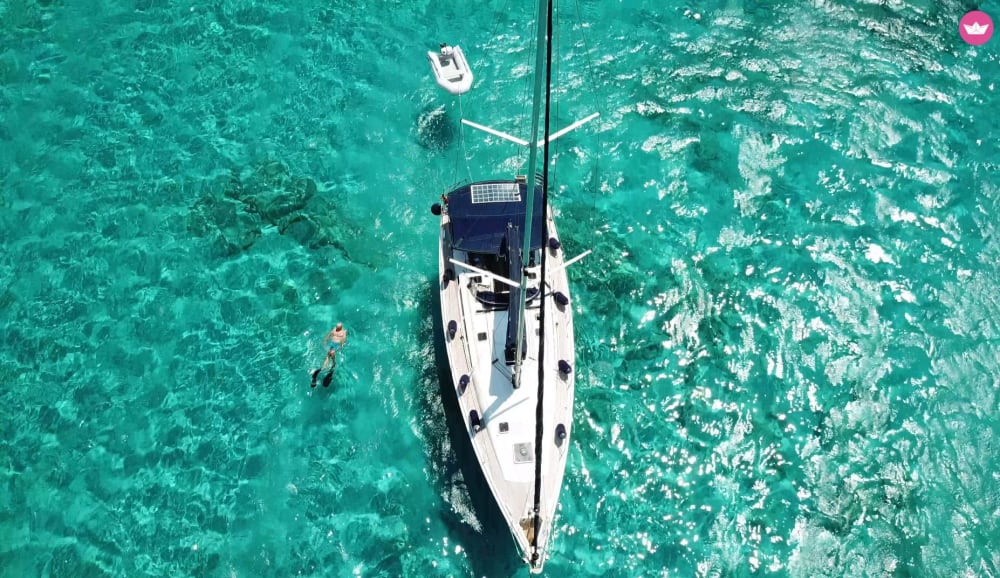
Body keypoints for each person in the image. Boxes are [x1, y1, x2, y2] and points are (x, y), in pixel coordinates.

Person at [311, 322, 348, 388]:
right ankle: (328, 374)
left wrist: (325, 341)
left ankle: (318, 374)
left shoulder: (337, 330)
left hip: (333, 345)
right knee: (332, 363)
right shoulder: (342, 332)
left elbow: (329, 336)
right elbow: (342, 344)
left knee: (327, 362)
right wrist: (326, 341)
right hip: (334, 346)